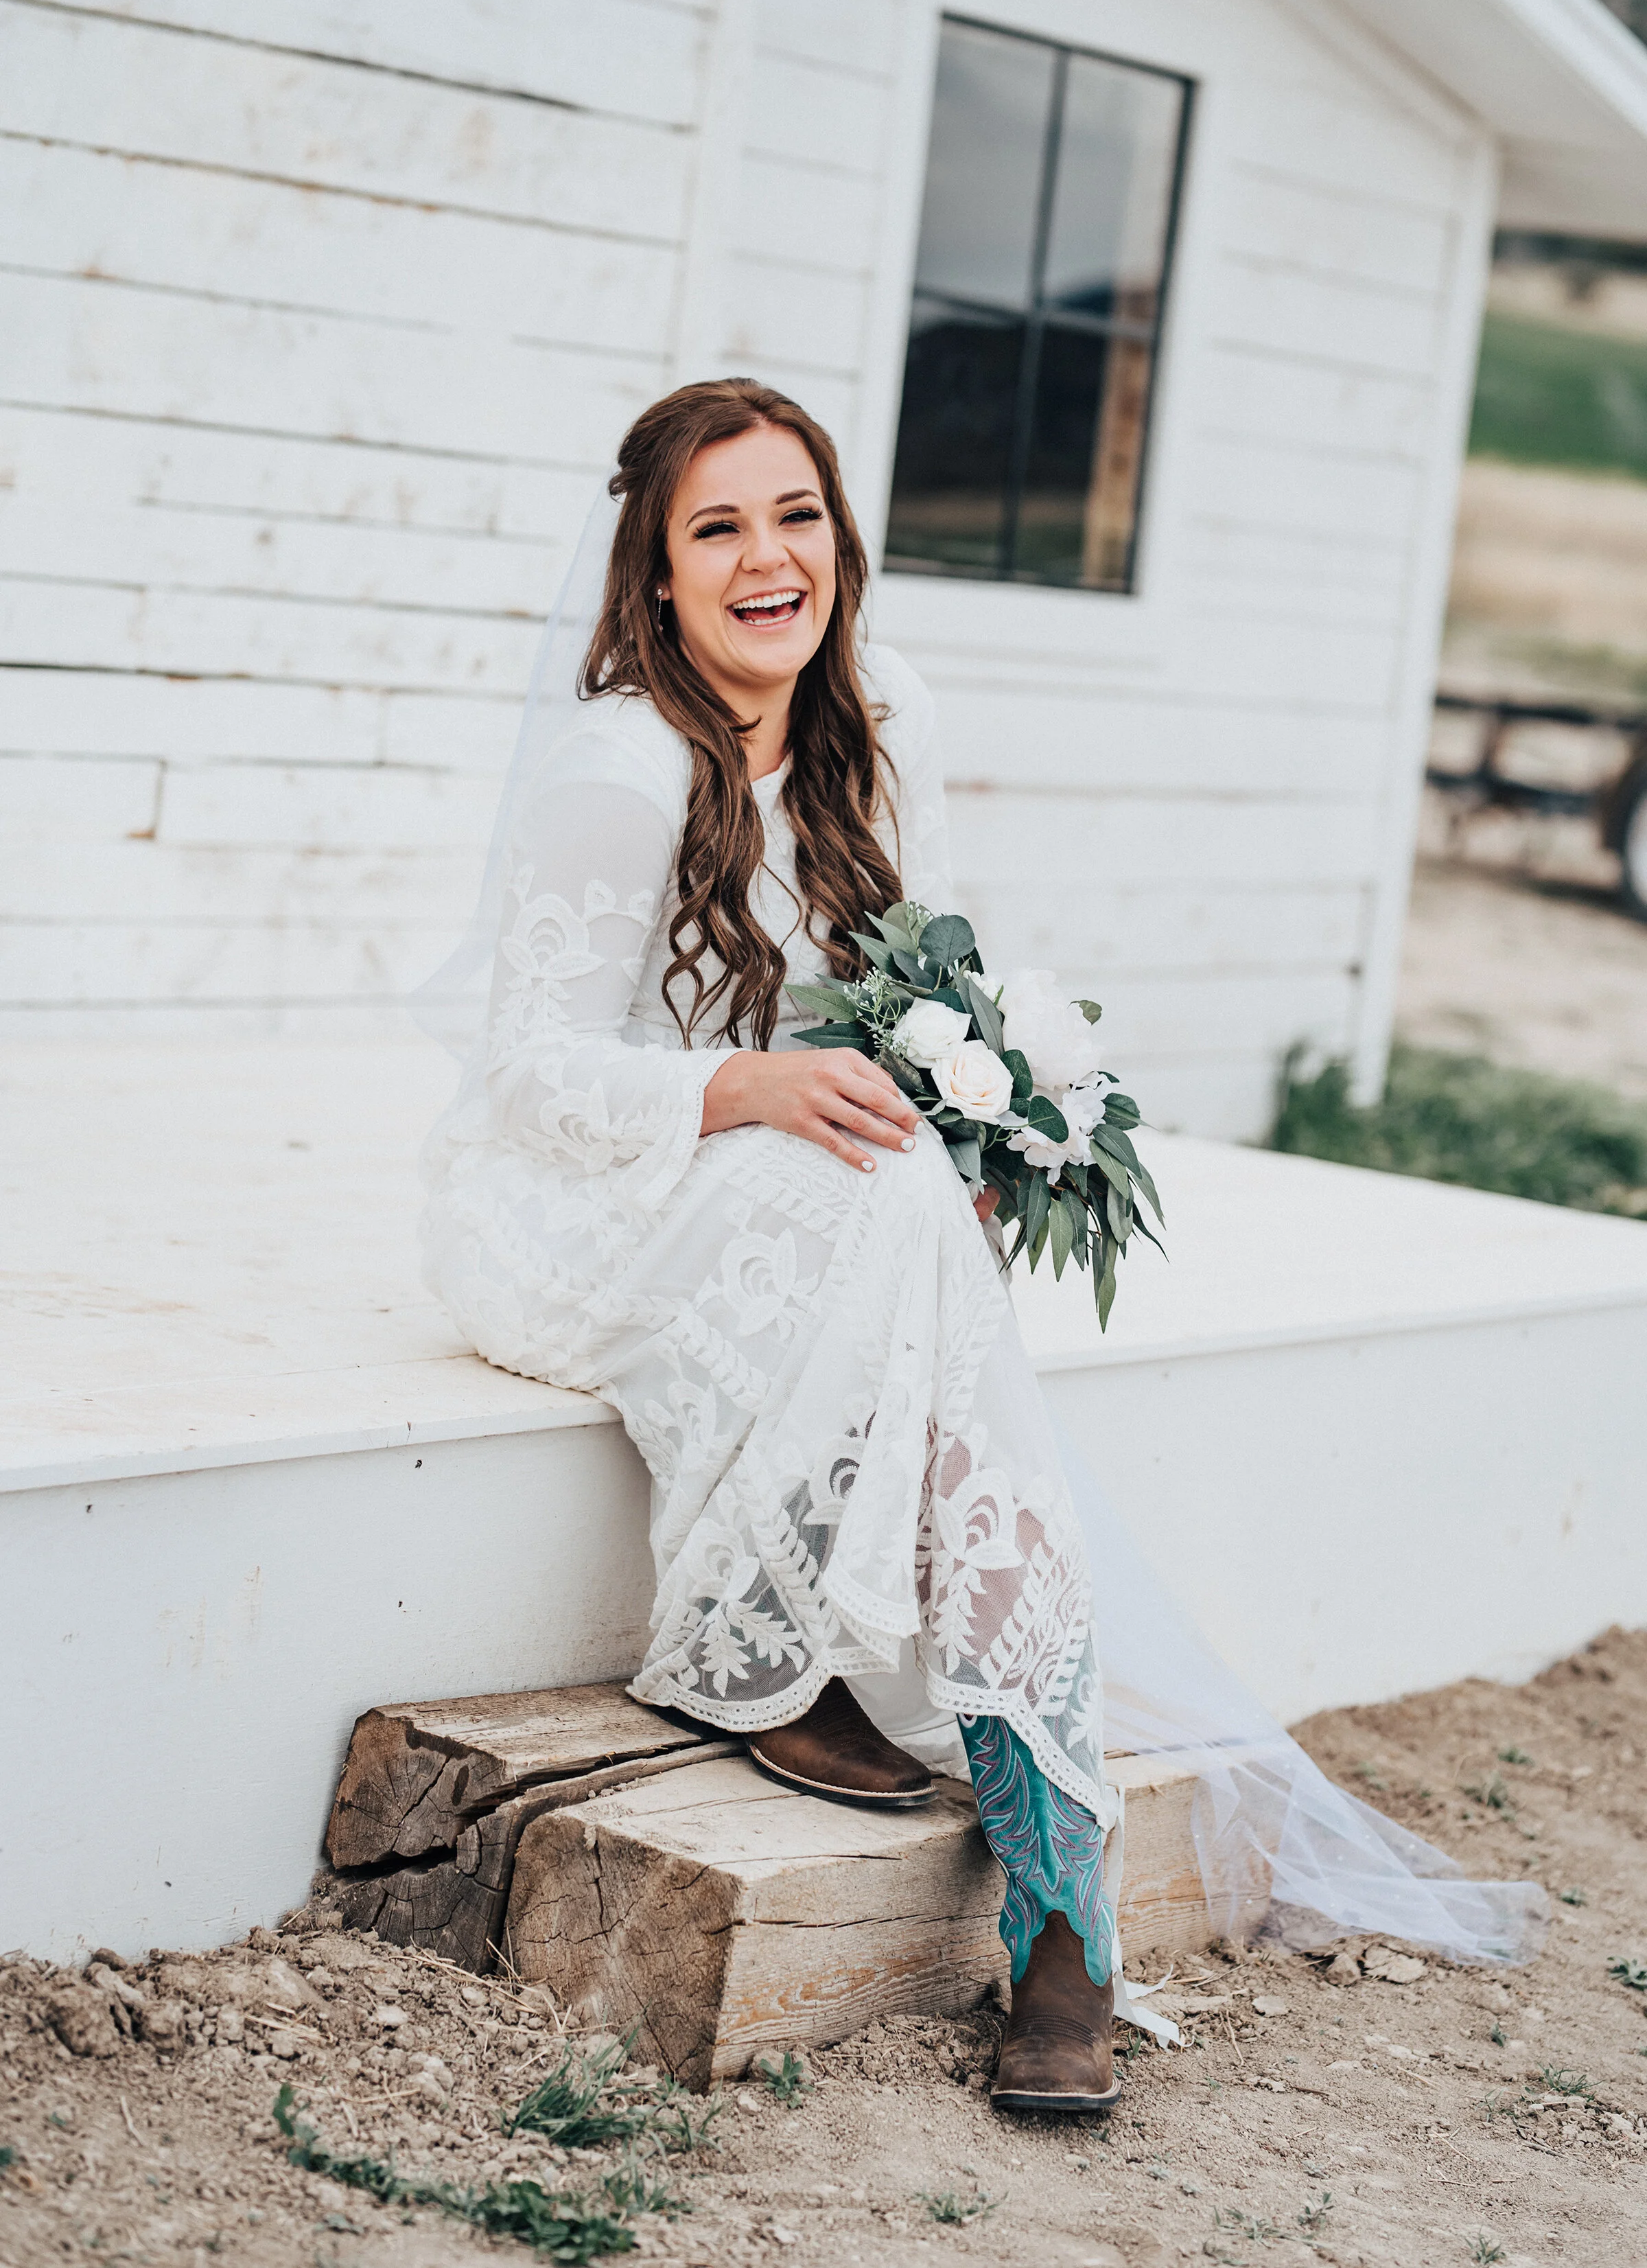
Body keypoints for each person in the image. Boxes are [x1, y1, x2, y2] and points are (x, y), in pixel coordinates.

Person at [420, 375, 1547, 2113]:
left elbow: (913, 988)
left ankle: (1039, 1903)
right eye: (715, 530)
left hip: (815, 1178)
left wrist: (974, 1128)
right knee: (883, 1213)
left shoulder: (884, 716)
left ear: (841, 539)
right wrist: (752, 1089)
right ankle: (1044, 1908)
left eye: (795, 515)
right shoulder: (619, 764)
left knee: (909, 1215)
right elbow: (532, 1078)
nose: (767, 558)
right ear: (652, 577)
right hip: (586, 1201)